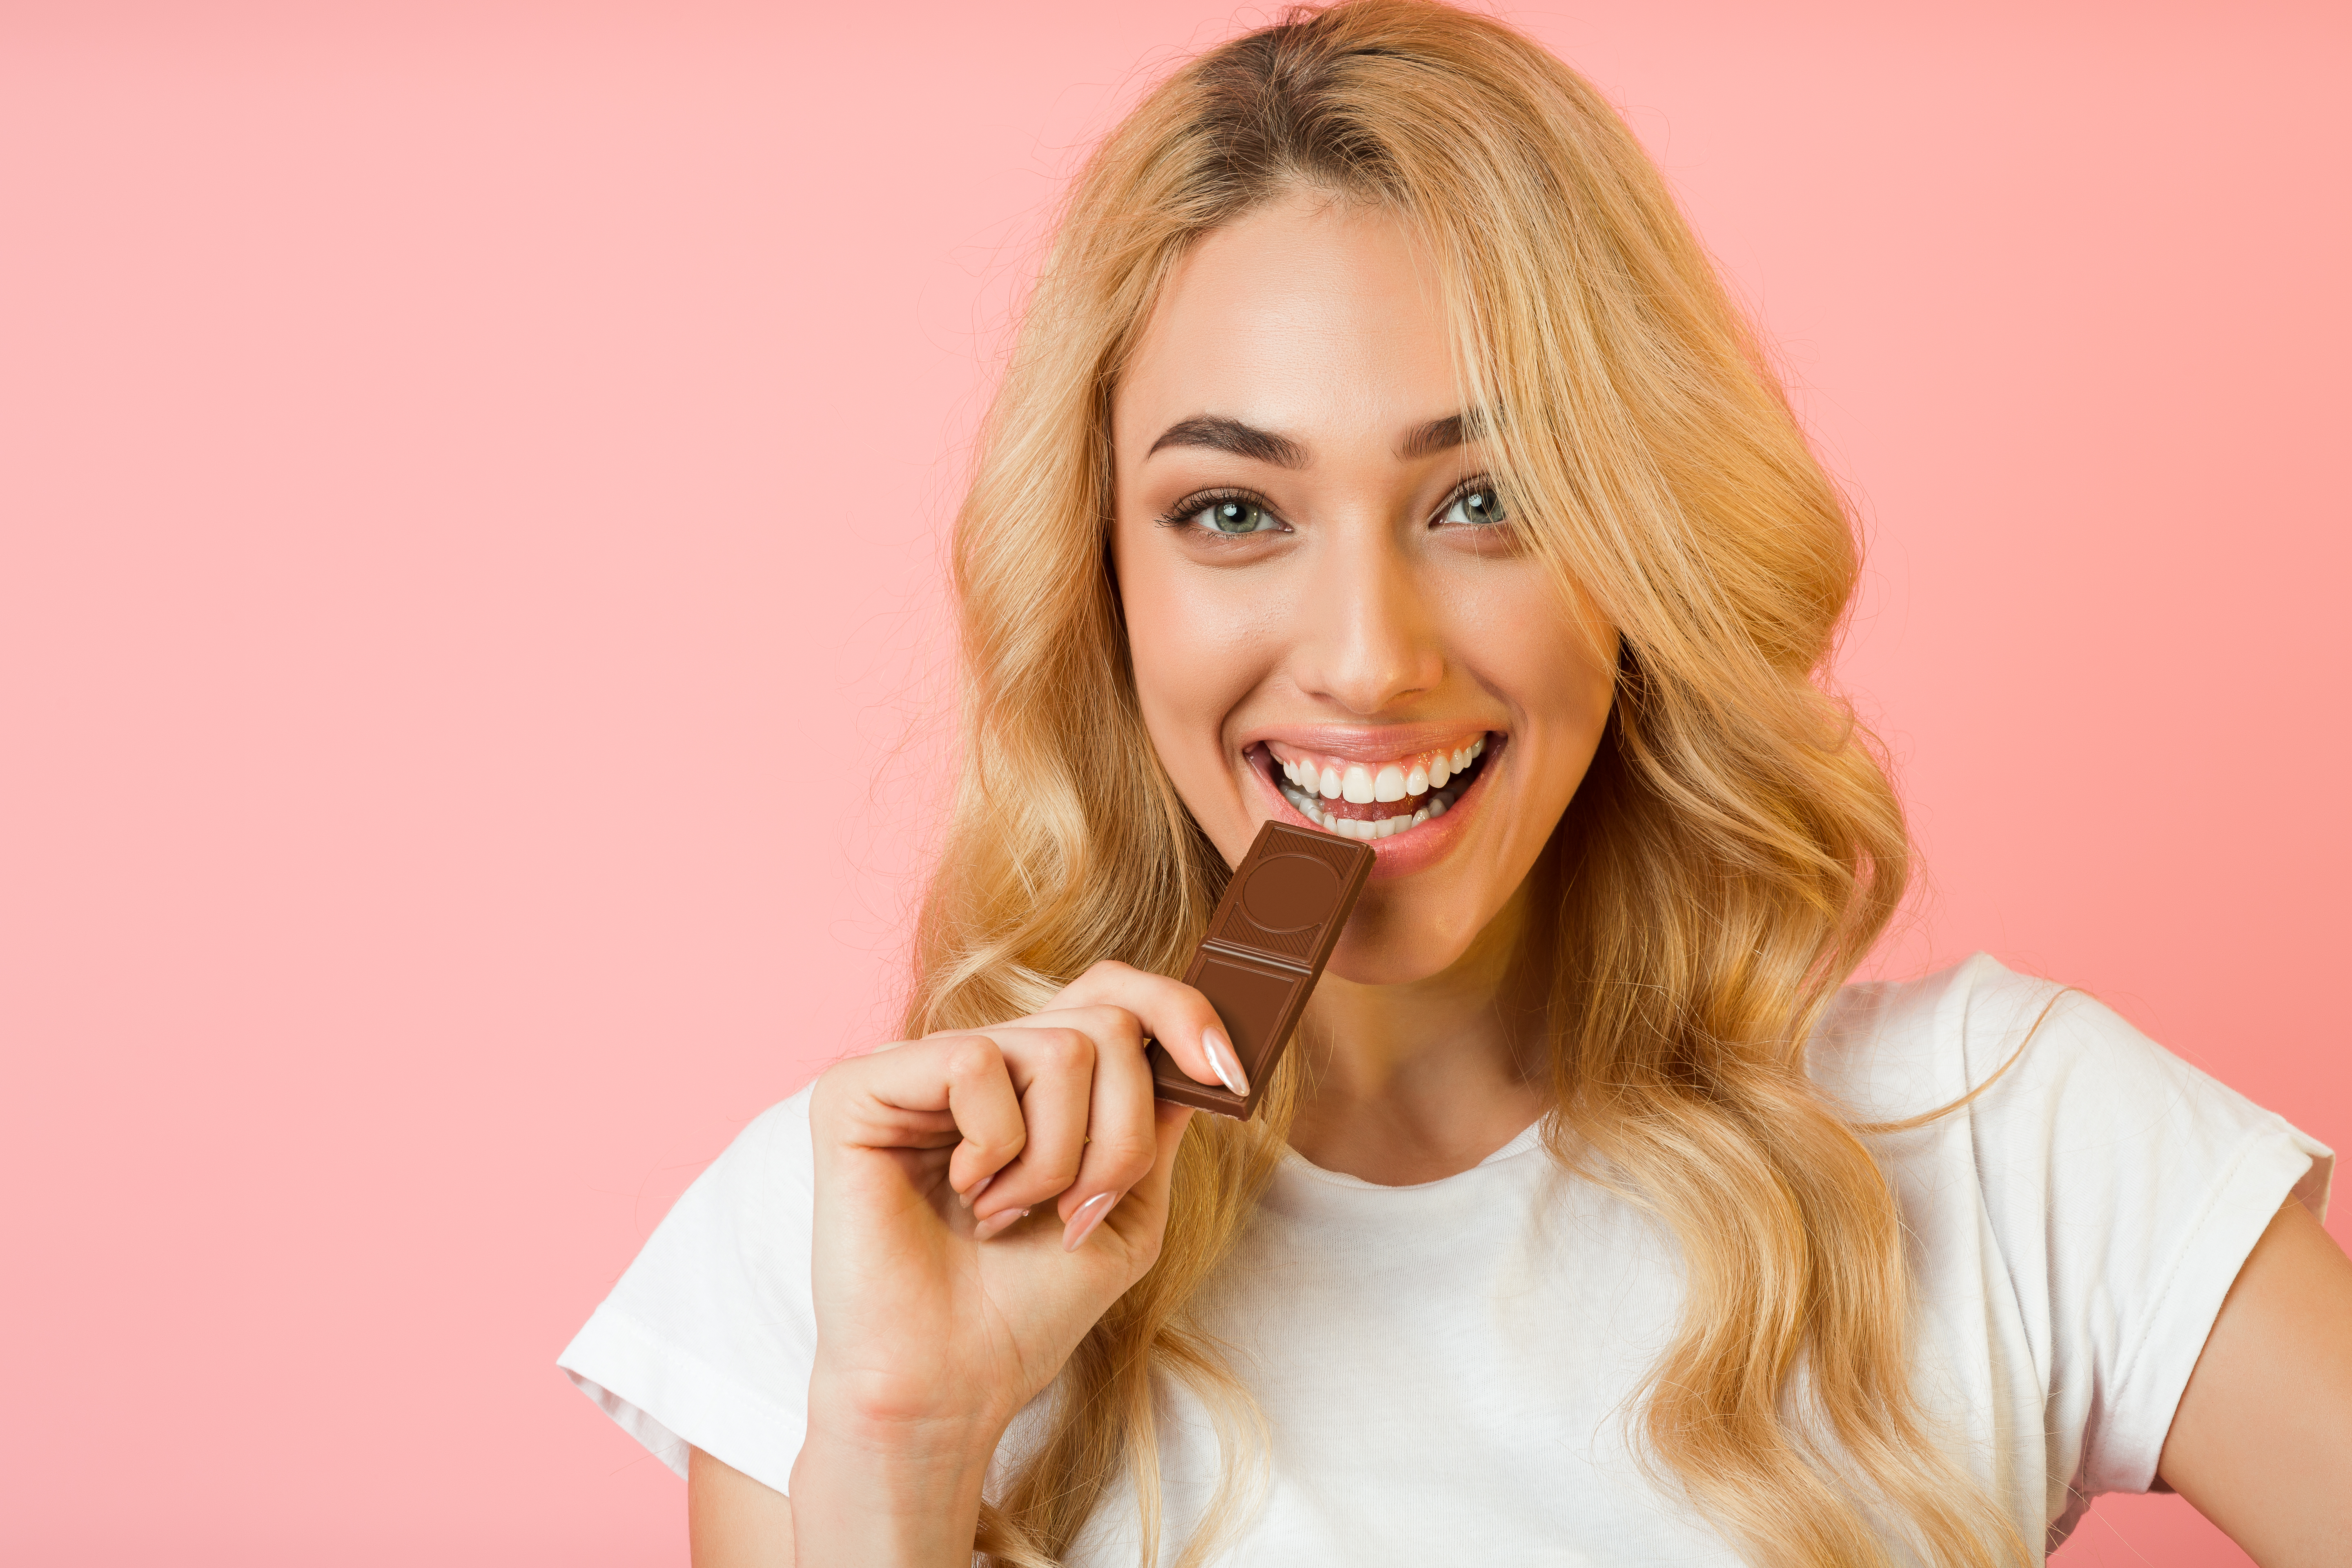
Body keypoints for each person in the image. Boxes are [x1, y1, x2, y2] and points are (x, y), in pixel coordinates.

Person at [558, 4, 2352, 1563]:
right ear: (1102, 579)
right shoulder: (859, 1243)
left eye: (1484, 498)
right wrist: (900, 1445)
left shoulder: (2013, 1149)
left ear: (1641, 549)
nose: (1366, 656)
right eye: (1234, 511)